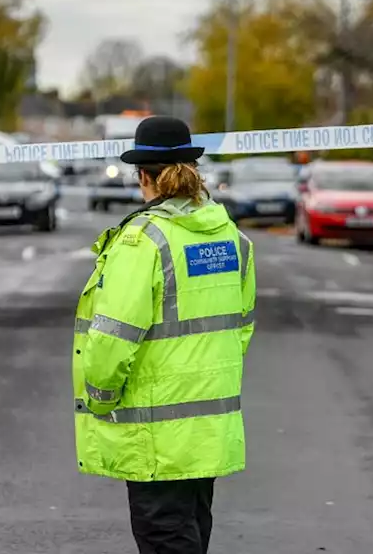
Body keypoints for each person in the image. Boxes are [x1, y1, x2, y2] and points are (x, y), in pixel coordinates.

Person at [72, 115, 256, 554]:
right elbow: (240, 326)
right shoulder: (229, 236)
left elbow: (112, 339)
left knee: (164, 538)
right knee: (191, 531)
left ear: (143, 178)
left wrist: (100, 399)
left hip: (156, 434)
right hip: (207, 427)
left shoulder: (143, 242)